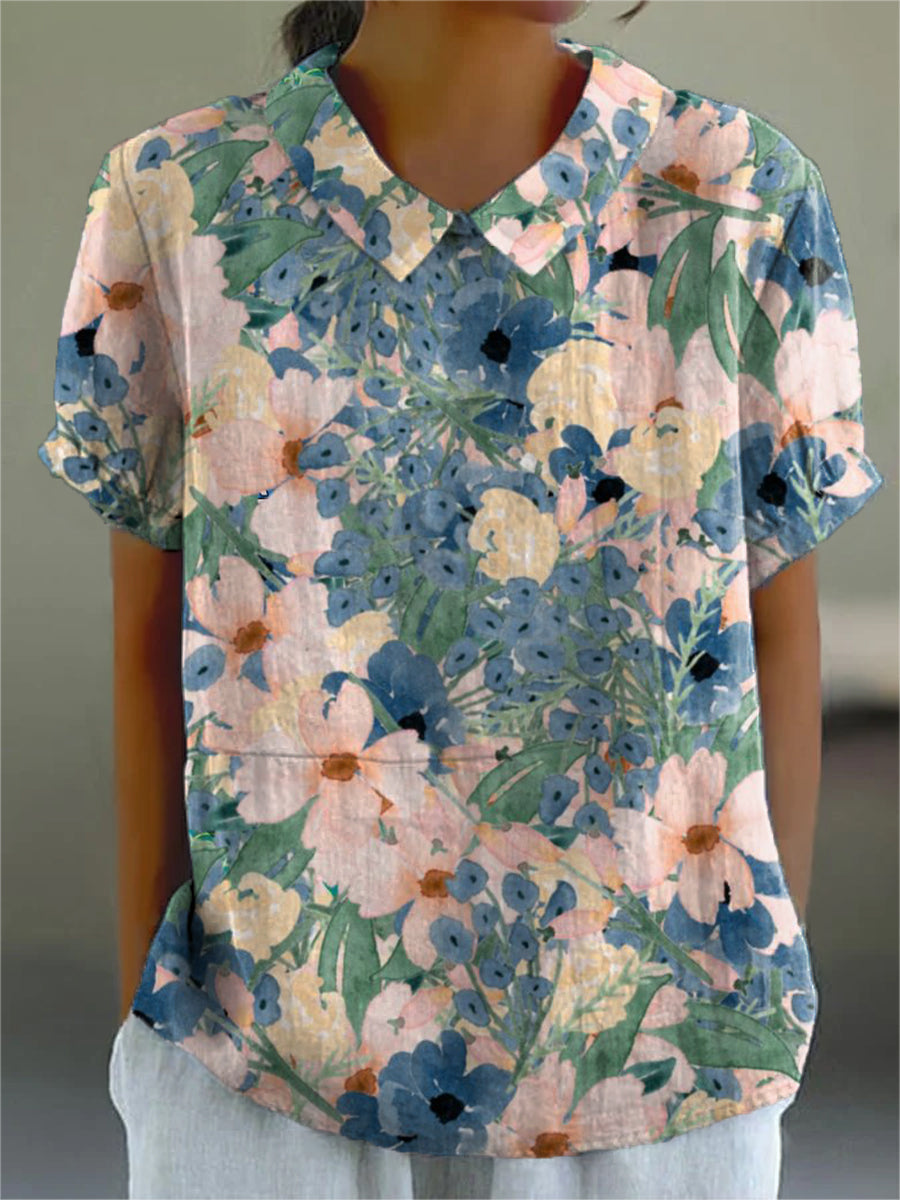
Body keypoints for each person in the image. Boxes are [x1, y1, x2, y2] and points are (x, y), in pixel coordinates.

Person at [36, 1, 885, 1197]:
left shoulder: (738, 196)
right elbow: (149, 645)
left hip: (661, 1066)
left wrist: (747, 1012)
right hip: (256, 1059)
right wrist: (159, 1042)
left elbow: (773, 640)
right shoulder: (178, 200)